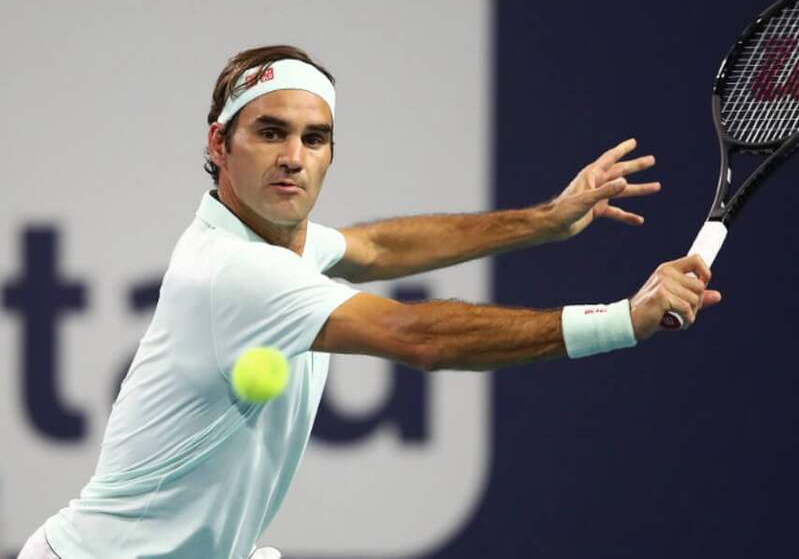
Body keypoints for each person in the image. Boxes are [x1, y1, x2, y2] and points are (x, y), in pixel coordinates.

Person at [18, 45, 720, 559]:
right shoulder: (233, 272)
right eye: (270, 132)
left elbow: (379, 247)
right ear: (219, 144)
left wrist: (546, 218)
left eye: (313, 137)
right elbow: (422, 336)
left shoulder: (278, 242)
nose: (294, 155)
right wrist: (621, 321)